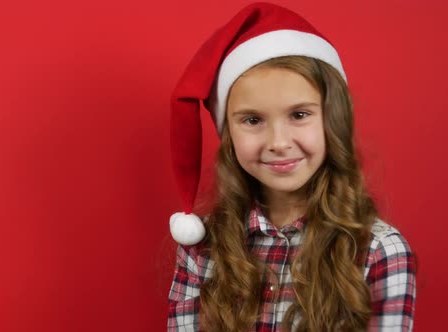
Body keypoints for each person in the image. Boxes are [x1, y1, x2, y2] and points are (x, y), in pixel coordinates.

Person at [166, 2, 416, 331]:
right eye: (253, 120)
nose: (279, 142)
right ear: (228, 133)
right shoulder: (203, 248)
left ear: (332, 119)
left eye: (299, 114)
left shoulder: (380, 252)